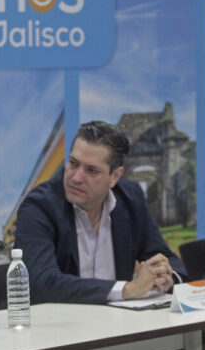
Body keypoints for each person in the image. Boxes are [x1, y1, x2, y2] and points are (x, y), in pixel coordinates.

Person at [14, 121, 187, 304]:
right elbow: (41, 284)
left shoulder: (130, 199)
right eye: (73, 163)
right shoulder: (39, 206)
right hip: (53, 319)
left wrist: (165, 276)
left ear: (115, 176)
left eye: (92, 170)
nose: (76, 177)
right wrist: (128, 289)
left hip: (118, 319)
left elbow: (165, 257)